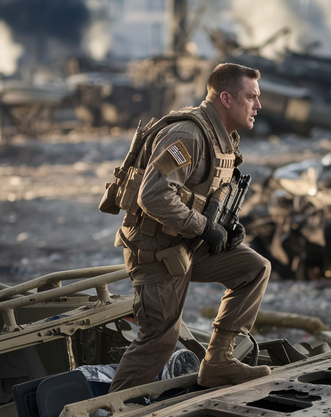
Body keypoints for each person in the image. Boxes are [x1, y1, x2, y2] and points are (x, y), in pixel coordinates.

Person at [108, 63, 272, 392]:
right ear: (226, 98)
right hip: (155, 250)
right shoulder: (187, 135)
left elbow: (205, 192)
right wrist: (203, 228)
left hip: (186, 243)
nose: (259, 105)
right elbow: (152, 196)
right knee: (159, 339)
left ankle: (219, 363)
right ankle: (106, 413)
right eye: (251, 97)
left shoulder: (224, 139)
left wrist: (226, 227)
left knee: (254, 269)